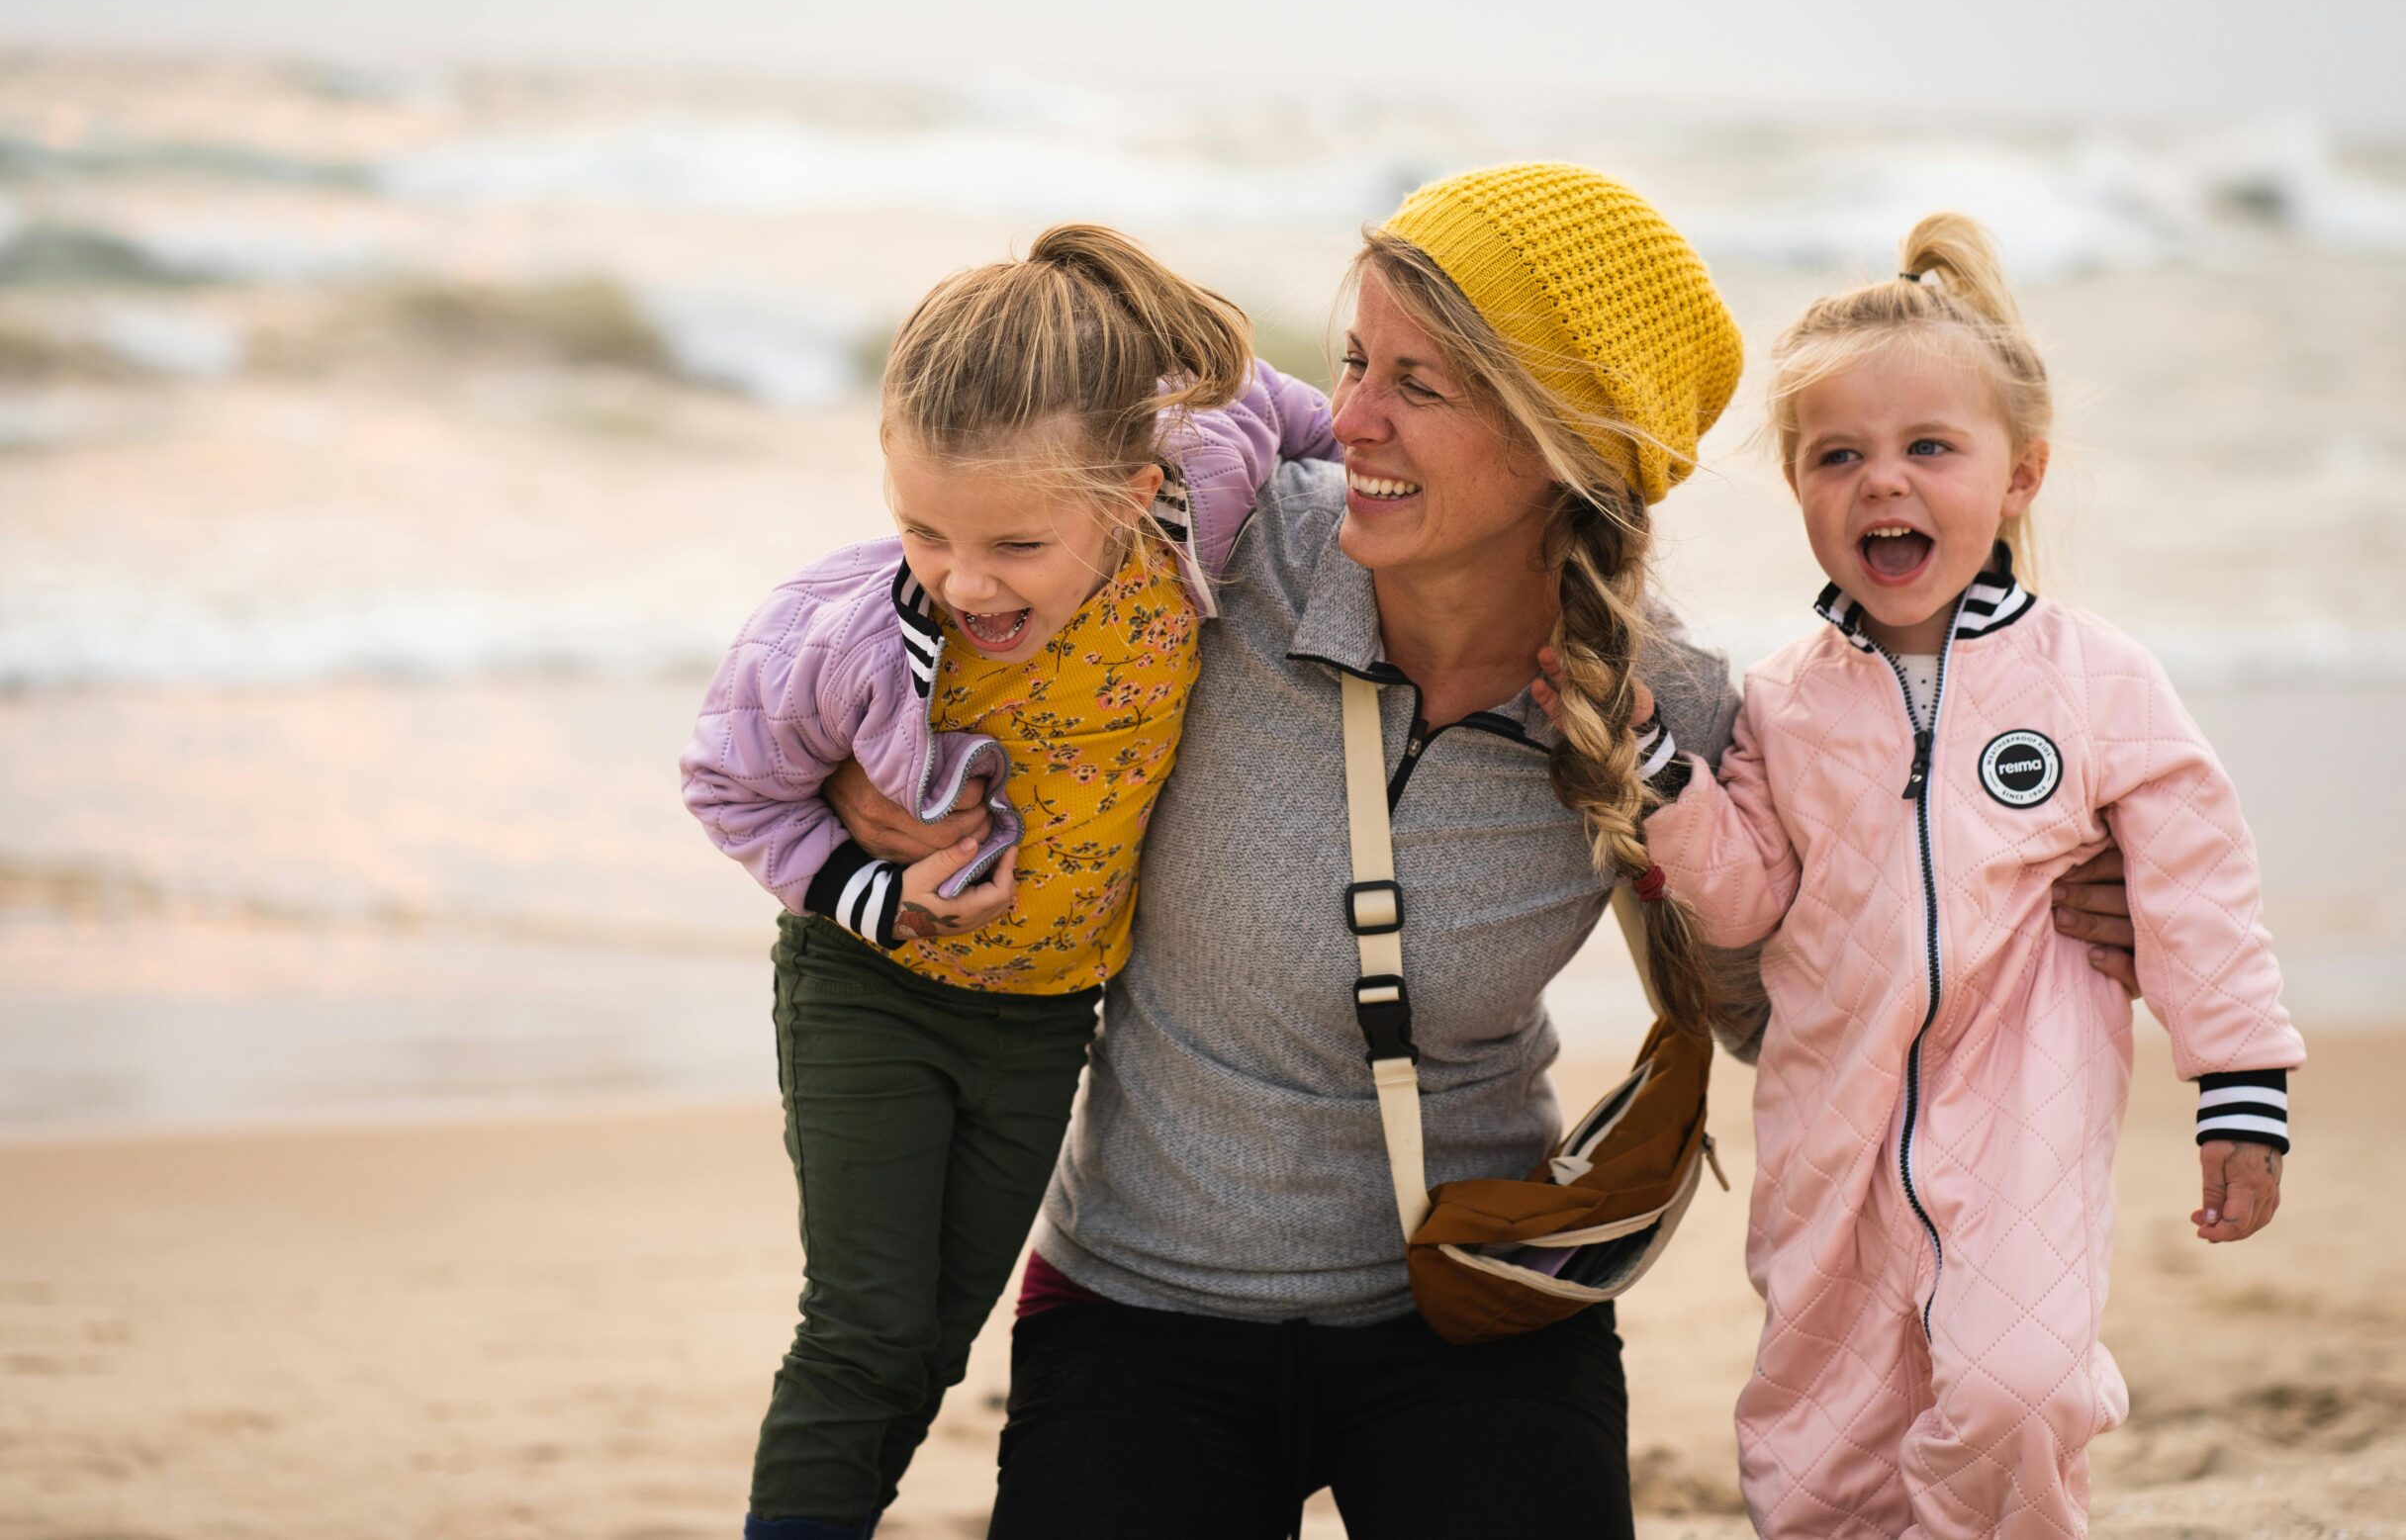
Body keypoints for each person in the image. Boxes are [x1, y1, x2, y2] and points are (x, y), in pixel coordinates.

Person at [828, 169, 2145, 1539]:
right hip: (1136, 1303)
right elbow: (940, 581)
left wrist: (2022, 882)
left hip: (1469, 1305)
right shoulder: (1215, 566)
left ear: (1566, 441)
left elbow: (1778, 1008)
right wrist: (861, 785)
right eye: (1352, 362)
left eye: (1421, 383)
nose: (1348, 419)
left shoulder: (1666, 710)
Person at [1625, 213, 2304, 1537]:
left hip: (2026, 1114)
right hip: (1834, 1123)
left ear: (2019, 475)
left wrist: (2243, 1086)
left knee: (2022, 1394)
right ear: (1798, 487)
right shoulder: (1787, 700)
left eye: (1930, 447)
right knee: (1823, 1427)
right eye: (1840, 457)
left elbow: (2198, 884)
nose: (1884, 483)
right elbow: (1748, 896)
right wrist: (1659, 775)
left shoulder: (2094, 679)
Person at [679, 223, 1340, 1540]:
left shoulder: (1193, 500)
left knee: (934, 1342)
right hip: (873, 991)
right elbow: (730, 783)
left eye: (1014, 547)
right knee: (862, 1329)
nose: (965, 579)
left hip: (1047, 1013)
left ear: (1128, 483)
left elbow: (1282, 411)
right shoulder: (849, 635)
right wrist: (871, 883)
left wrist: (1364, 469)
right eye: (923, 528)